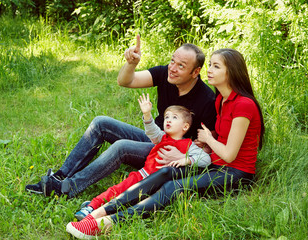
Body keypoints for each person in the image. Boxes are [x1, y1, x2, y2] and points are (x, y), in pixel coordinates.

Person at [65, 48, 265, 239]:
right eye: (210, 65)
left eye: (216, 67)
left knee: (174, 187)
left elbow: (229, 155)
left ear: (232, 72)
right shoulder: (221, 99)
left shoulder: (243, 104)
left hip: (235, 174)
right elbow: (218, 139)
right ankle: (98, 211)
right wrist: (194, 151)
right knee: (164, 172)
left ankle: (106, 223)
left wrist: (208, 140)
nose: (209, 70)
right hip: (214, 164)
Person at [25, 35, 216, 198]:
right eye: (172, 60)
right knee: (100, 123)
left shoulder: (207, 99)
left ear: (195, 72)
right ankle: (60, 177)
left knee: (121, 147)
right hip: (155, 137)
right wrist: (131, 64)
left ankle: (68, 188)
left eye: (181, 66)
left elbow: (207, 147)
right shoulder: (165, 74)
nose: (172, 68)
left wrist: (184, 156)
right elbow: (125, 80)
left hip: (169, 152)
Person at [74, 93, 211, 220]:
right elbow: (151, 131)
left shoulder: (188, 145)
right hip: (142, 175)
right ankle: (92, 206)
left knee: (132, 201)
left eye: (174, 118)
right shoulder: (161, 137)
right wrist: (147, 114)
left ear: (185, 126)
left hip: (159, 183)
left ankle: (97, 209)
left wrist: (185, 159)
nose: (168, 120)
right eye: (167, 117)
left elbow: (206, 159)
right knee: (119, 189)